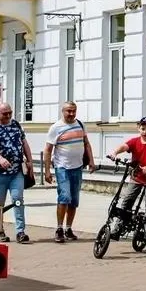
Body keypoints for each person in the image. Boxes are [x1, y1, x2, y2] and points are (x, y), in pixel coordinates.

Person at [108, 115, 146, 256]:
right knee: (127, 201)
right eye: (142, 129)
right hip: (137, 177)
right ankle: (118, 228)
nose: (145, 132)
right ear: (139, 128)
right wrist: (114, 152)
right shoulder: (135, 141)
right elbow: (124, 146)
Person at [42, 101, 93, 242]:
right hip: (62, 167)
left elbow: (86, 143)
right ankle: (59, 228)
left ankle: (68, 228)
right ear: (62, 111)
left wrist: (91, 161)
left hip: (77, 167)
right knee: (64, 197)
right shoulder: (56, 128)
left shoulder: (80, 125)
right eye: (68, 111)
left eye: (73, 111)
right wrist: (47, 171)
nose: (71, 114)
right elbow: (48, 150)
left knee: (74, 200)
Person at [0, 102, 32, 243]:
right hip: (0, 173)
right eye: (5, 114)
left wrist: (30, 161)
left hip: (16, 172)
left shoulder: (16, 125)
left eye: (10, 113)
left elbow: (24, 143)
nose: (8, 116)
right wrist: (0, 158)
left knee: (18, 200)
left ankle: (20, 232)